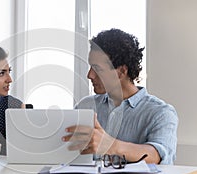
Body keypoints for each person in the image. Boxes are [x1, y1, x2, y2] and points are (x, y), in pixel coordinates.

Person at [62, 28, 178, 165]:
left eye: (97, 69)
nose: (89, 75)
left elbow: (157, 155)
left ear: (121, 71)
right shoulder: (85, 106)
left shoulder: (161, 113)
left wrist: (110, 146)